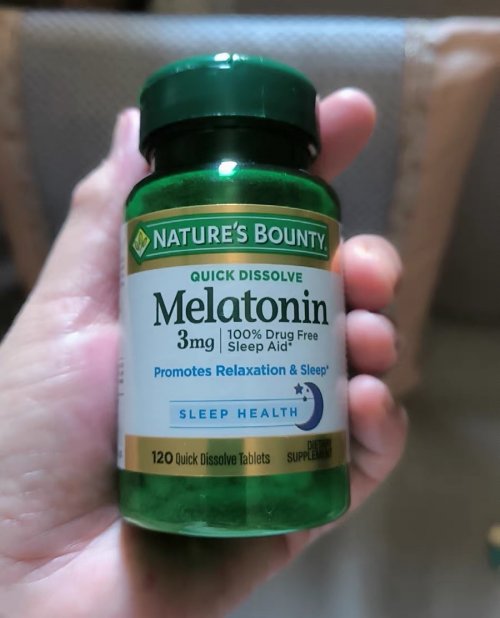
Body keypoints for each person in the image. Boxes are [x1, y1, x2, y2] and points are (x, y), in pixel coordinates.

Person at [0, 90, 407, 617]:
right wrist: (18, 566)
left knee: (358, 312)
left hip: (298, 457)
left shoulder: (308, 201)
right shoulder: (150, 201)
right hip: (151, 473)